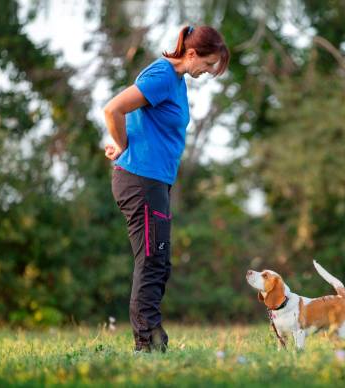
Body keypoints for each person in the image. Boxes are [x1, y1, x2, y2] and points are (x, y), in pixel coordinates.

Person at [103, 25, 229, 353]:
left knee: (159, 259)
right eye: (209, 63)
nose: (209, 71)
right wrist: (121, 143)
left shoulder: (174, 80)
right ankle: (147, 345)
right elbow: (113, 108)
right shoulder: (161, 75)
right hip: (140, 181)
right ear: (191, 54)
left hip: (154, 182)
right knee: (151, 258)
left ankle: (154, 340)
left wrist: (124, 142)